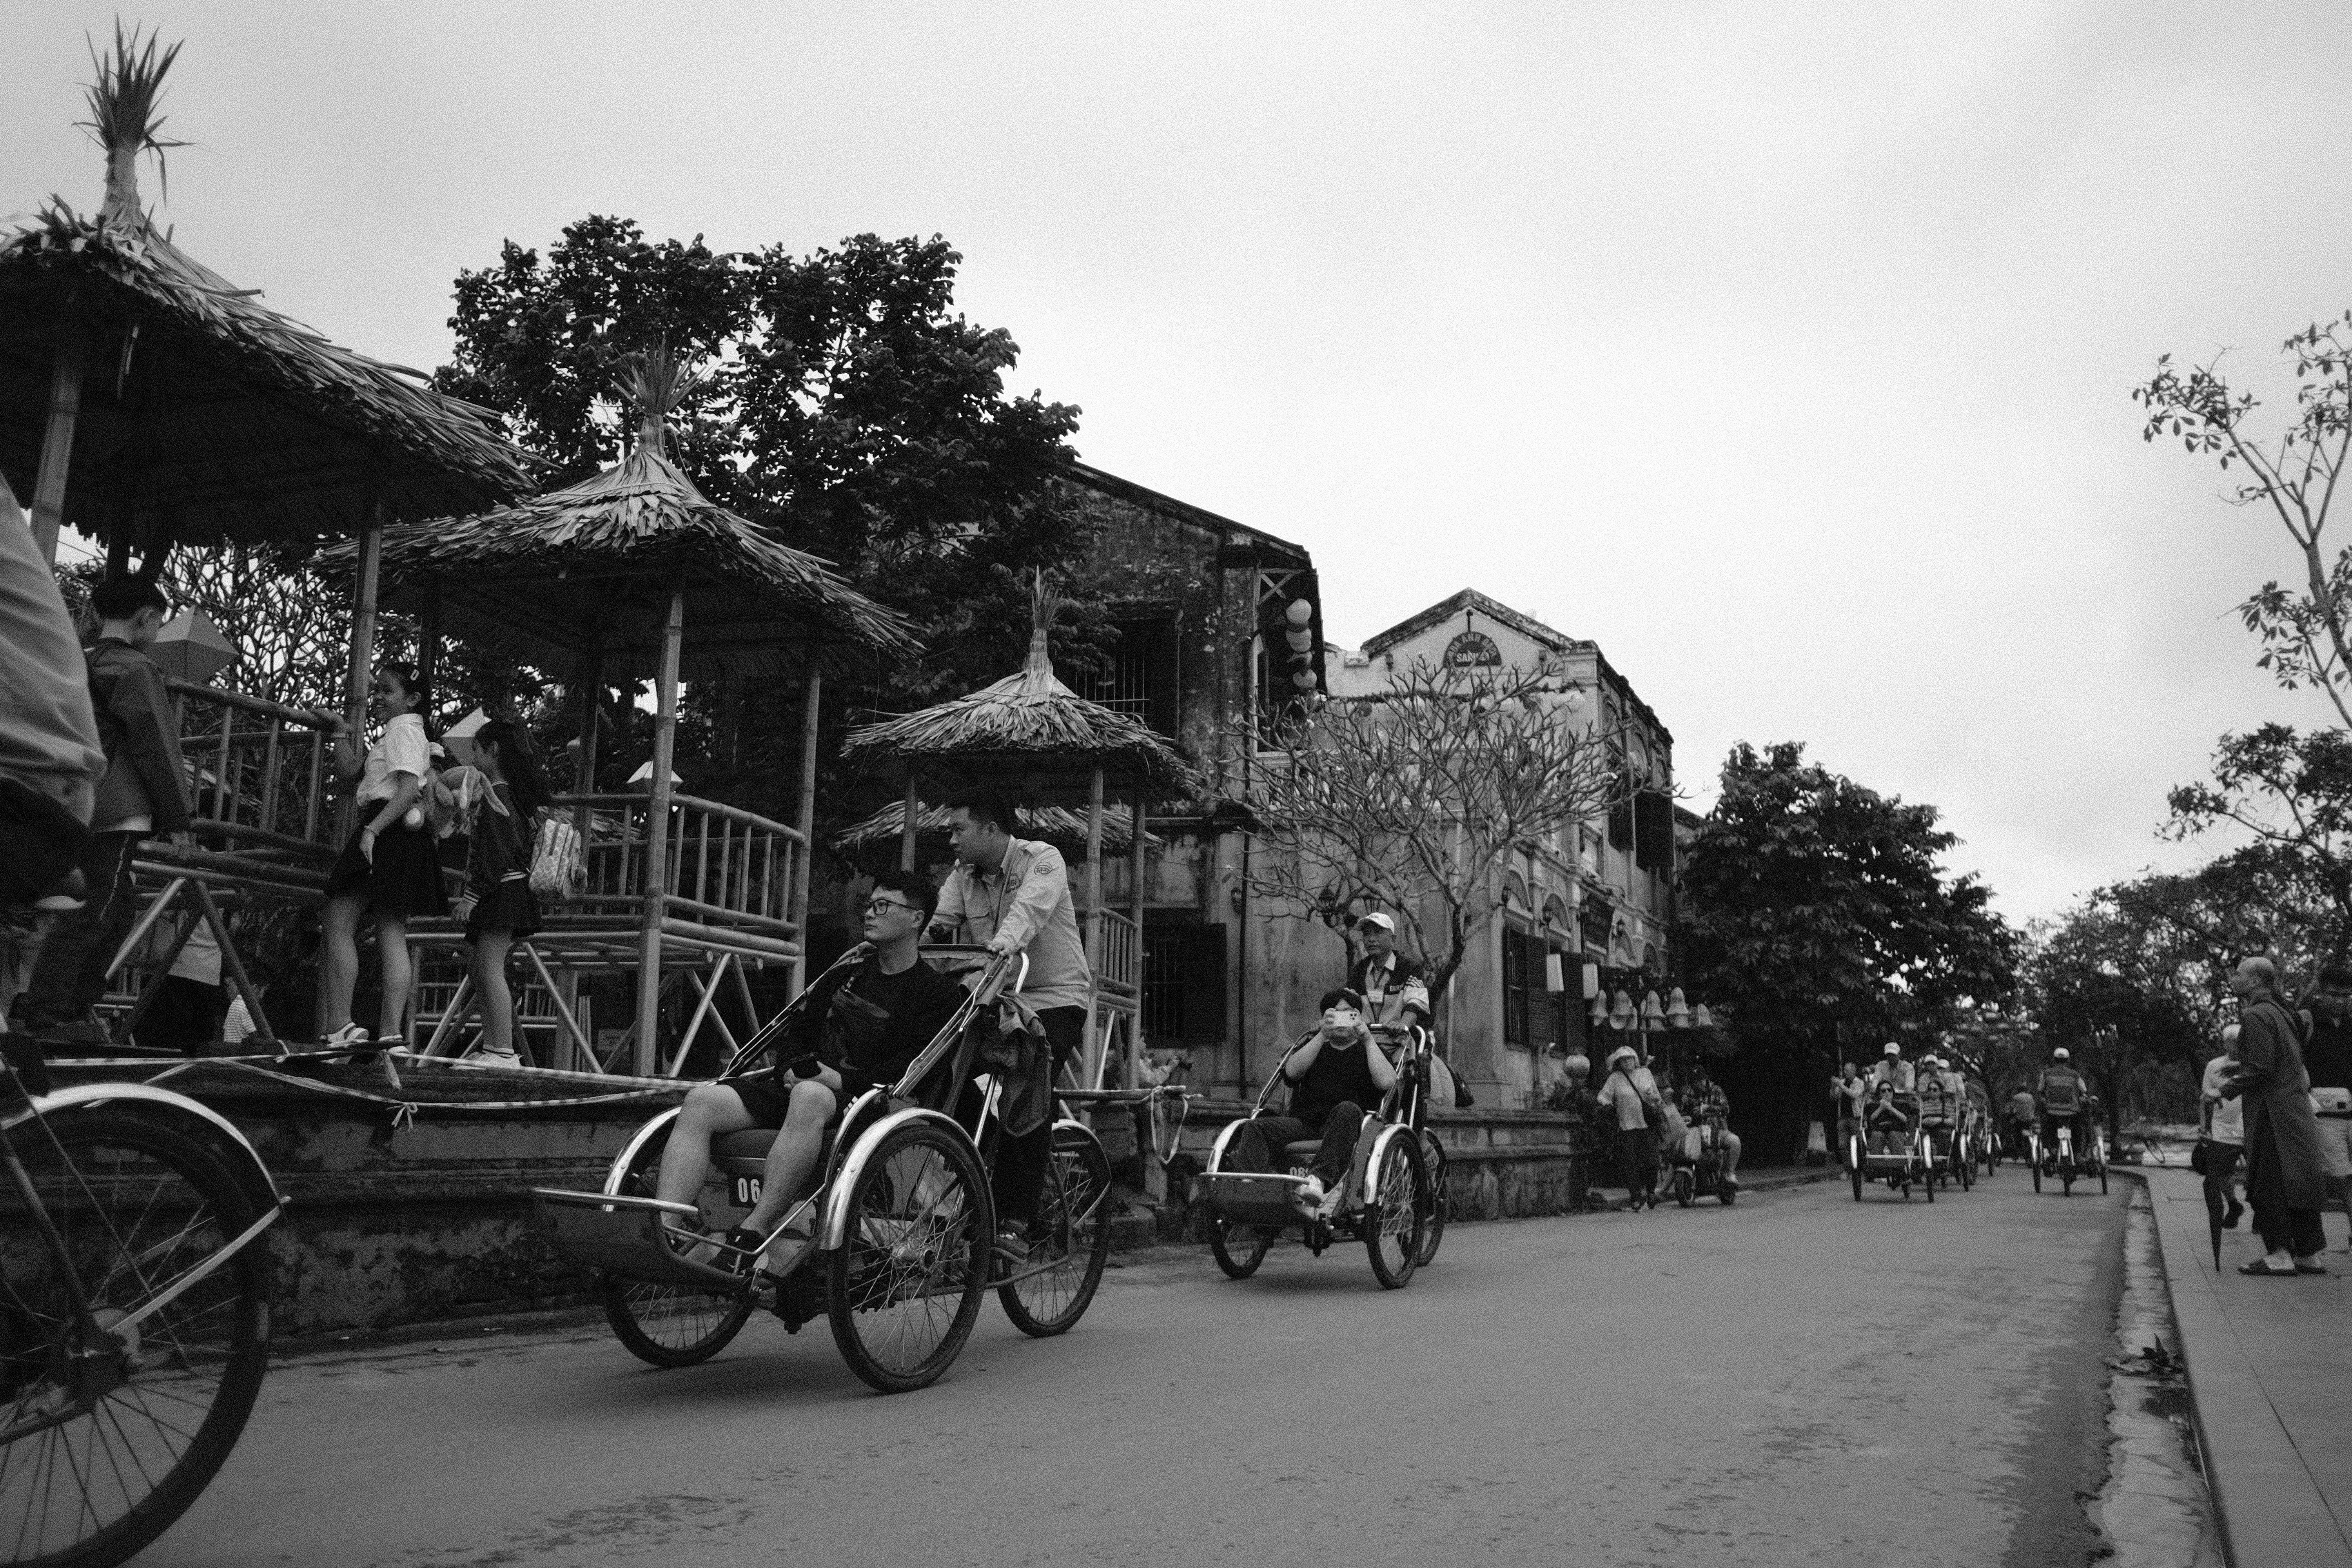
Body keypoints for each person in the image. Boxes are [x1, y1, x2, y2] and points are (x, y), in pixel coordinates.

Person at [654, 871, 964, 1281]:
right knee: (702, 1101)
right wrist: (789, 1070)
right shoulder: (846, 974)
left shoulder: (937, 993)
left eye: (883, 906)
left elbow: (917, 1065)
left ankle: (753, 1232)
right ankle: (665, 1231)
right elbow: (798, 1032)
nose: (870, 914)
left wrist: (841, 1081)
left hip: (872, 1102)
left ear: (916, 919)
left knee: (811, 1097)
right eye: (868, 906)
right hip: (806, 1090)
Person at [10, 575, 192, 1045]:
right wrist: (178, 818)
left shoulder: (77, 663)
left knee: (115, 911)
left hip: (69, 800)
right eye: (158, 623)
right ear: (147, 618)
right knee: (96, 910)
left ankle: (70, 1008)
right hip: (117, 806)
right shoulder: (135, 670)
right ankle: (50, 1014)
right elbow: (157, 746)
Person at [929, 786, 1092, 1261]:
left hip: (1054, 998)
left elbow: (1030, 911)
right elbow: (939, 924)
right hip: (997, 994)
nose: (952, 841)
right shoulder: (963, 876)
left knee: (1028, 1079)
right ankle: (981, 1155)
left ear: (992, 830)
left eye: (959, 830)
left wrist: (1001, 948)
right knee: (935, 1065)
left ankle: (1018, 1218)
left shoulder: (1043, 859)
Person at [316, 663, 446, 1050]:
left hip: (385, 825)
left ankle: (341, 1025)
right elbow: (350, 770)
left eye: (387, 691)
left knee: (338, 919)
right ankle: (391, 1035)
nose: (378, 698)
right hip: (403, 833)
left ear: (412, 698)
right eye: (377, 691)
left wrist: (372, 831)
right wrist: (340, 728)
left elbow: (408, 788)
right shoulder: (406, 732)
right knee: (392, 932)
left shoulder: (404, 730)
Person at [0, 472, 103, 919]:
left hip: (28, 787)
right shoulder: (126, 670)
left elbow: (150, 742)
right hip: (64, 788)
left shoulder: (124, 671)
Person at [1227, 987, 1399, 1218]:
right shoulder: (1315, 1046)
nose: (1341, 1019)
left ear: (1359, 1017)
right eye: (1334, 1013)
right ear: (1324, 1018)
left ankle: (1318, 1180)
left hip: (1347, 1126)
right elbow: (1291, 1073)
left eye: (1349, 1013)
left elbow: (1387, 1081)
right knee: (1255, 1126)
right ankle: (1251, 1189)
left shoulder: (1369, 1050)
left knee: (1348, 1108)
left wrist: (1367, 1039)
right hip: (1306, 1124)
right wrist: (1321, 1037)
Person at [450, 717, 551, 1069]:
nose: (473, 757)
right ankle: (495, 1044)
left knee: (490, 966)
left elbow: (497, 851)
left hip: (503, 891)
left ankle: (503, 1049)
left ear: (493, 751)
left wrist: (472, 896)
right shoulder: (506, 796)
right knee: (480, 964)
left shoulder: (502, 797)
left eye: (476, 749)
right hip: (502, 890)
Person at [2225, 956, 2329, 1276]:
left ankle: (2280, 1254)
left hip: (2273, 1116)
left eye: (2240, 974)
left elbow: (2262, 1066)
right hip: (2294, 1111)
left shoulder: (2256, 1015)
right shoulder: (2283, 1013)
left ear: (2256, 980)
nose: (2234, 978)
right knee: (2298, 1180)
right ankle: (2309, 1254)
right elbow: (2281, 1061)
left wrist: (2228, 1088)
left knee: (2270, 1183)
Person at [2299, 962, 2352, 1250]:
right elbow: (2294, 1065)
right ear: (2322, 993)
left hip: (2350, 1112)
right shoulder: (2306, 1022)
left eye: (2346, 995)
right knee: (2340, 1177)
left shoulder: (2350, 1026)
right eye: (2334, 994)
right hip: (2322, 1114)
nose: (2340, 1000)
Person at [134, 910, 226, 1055]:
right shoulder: (225, 896)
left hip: (176, 966)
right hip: (210, 972)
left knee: (158, 1044)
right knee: (196, 1048)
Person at [1594, 1044, 1664, 1210]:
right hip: (1627, 1126)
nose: (1627, 1062)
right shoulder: (1615, 1078)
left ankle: (1651, 1191)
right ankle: (1635, 1197)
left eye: (1629, 1059)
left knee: (1652, 1161)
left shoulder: (1646, 1074)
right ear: (1619, 1063)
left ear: (1635, 1060)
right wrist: (1607, 1105)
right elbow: (1603, 1096)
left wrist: (1654, 1098)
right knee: (1631, 1163)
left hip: (1647, 1125)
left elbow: (1657, 1097)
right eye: (1623, 1060)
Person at [1348, 913, 1431, 1034]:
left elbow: (1416, 1003)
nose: (1371, 939)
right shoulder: (1359, 970)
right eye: (1367, 934)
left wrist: (1402, 1026)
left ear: (1393, 940)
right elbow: (1346, 1004)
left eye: (1378, 933)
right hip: (1364, 1039)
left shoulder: (1410, 968)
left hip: (1398, 1040)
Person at [2200, 1025, 2245, 1231]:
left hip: (2251, 1126)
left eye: (2238, 1042)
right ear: (2225, 1043)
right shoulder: (2215, 1066)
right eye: (2230, 1042)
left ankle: (2262, 1219)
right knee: (2220, 1172)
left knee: (2258, 1173)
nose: (2234, 1046)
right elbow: (2206, 1098)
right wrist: (2203, 1126)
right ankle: (2233, 1204)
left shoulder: (2252, 1065)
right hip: (2223, 1128)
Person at [1686, 1064, 1741, 1189]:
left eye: (1700, 1081)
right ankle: (1663, 1190)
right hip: (1697, 1131)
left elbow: (1726, 1109)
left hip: (1717, 1130)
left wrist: (1707, 1108)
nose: (1698, 1084)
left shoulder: (1717, 1090)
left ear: (1705, 1079)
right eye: (1695, 1082)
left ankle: (1730, 1174)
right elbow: (1686, 1111)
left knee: (1734, 1141)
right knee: (1681, 1152)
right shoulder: (1691, 1094)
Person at [2035, 1049, 2090, 1170]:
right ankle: (2078, 1154)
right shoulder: (2075, 1075)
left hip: (2052, 1111)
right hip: (2072, 1112)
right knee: (2077, 1131)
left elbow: (2040, 1090)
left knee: (2050, 1129)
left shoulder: (2046, 1074)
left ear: (2054, 1060)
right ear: (2068, 1061)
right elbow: (2084, 1090)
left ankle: (2054, 1150)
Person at [1832, 1062, 1867, 1169]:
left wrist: (1841, 1086)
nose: (1845, 1073)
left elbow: (1854, 1095)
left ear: (1854, 1071)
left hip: (1855, 1118)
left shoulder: (1859, 1083)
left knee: (1859, 1145)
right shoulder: (1842, 1082)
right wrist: (1834, 1087)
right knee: (1842, 1145)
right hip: (1842, 1118)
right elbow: (1833, 1097)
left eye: (1848, 1070)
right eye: (1845, 1070)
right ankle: (1848, 1169)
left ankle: (1861, 1167)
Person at [2006, 1085, 2039, 1160]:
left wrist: (2010, 1116)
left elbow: (2012, 1109)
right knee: (2032, 1132)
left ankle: (2019, 1149)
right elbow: (2034, 1107)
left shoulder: (2016, 1097)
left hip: (2020, 1120)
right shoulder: (2030, 1097)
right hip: (2030, 1119)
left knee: (2017, 1134)